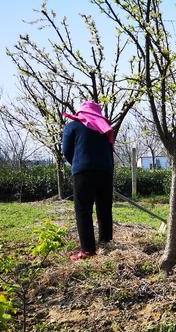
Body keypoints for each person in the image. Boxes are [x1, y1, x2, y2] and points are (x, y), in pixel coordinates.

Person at [62, 101, 115, 261]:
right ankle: (106, 242)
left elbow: (66, 150)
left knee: (83, 209)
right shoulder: (104, 128)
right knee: (104, 207)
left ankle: (88, 250)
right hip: (106, 172)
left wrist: (78, 162)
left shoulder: (73, 127)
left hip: (83, 173)